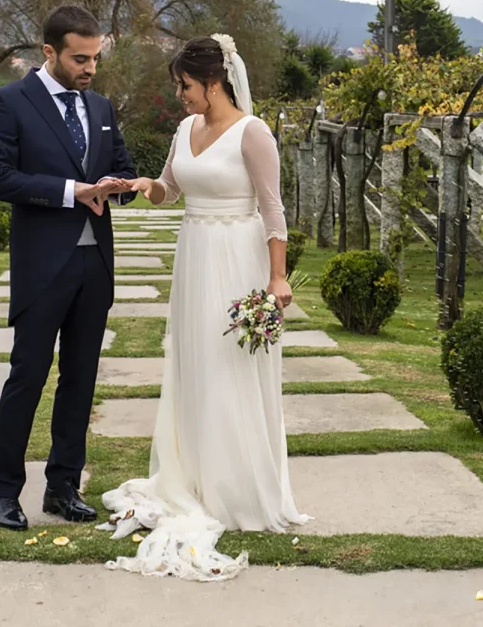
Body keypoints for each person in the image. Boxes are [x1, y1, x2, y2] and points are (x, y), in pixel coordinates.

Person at [100, 35, 309, 581]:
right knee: (194, 366)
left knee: (231, 368)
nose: (181, 96)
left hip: (238, 258)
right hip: (193, 257)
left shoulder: (252, 132)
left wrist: (277, 277)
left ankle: (237, 486)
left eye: (185, 86)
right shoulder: (183, 130)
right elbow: (170, 189)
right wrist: (144, 184)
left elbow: (273, 210)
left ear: (213, 82)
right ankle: (193, 475)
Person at [0, 5, 137, 530]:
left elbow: (122, 169)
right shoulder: (9, 103)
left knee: (81, 378)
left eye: (95, 58)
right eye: (79, 58)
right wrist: (73, 192)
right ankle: (5, 494)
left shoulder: (103, 106)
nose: (90, 68)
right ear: (49, 52)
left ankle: (63, 487)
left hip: (95, 262)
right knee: (28, 376)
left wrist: (120, 187)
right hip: (43, 265)